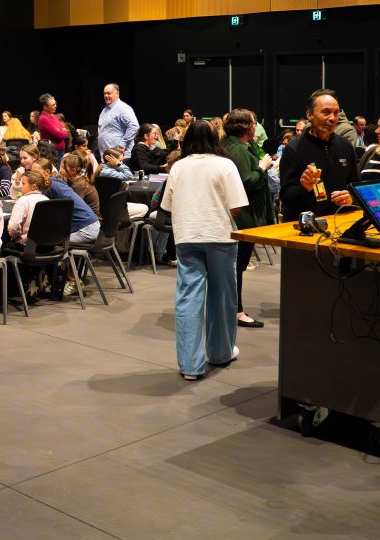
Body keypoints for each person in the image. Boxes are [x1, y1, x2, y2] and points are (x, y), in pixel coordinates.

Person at [160, 120, 248, 380]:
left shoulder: (178, 166)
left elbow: (167, 205)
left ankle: (190, 366)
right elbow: (237, 206)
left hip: (187, 236)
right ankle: (221, 353)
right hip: (220, 235)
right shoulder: (225, 164)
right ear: (215, 138)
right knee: (223, 297)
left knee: (188, 298)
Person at [221, 109, 275, 330]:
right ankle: (236, 312)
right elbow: (246, 182)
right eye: (254, 123)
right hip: (242, 218)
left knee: (235, 267)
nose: (256, 127)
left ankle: (233, 310)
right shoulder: (237, 149)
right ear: (246, 127)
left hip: (240, 216)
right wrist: (262, 167)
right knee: (236, 267)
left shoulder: (235, 145)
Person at [278, 89, 358, 221]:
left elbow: (356, 186)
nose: (333, 118)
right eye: (326, 112)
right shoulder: (294, 149)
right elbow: (286, 196)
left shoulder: (345, 146)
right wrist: (305, 188)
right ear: (310, 115)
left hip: (340, 223)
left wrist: (351, 197)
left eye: (336, 113)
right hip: (306, 226)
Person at [97, 83, 139, 153]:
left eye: (109, 93)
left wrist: (122, 144)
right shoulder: (104, 110)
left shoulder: (123, 108)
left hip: (120, 154)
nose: (106, 96)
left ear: (117, 94)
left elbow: (134, 126)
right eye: (104, 93)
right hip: (105, 153)